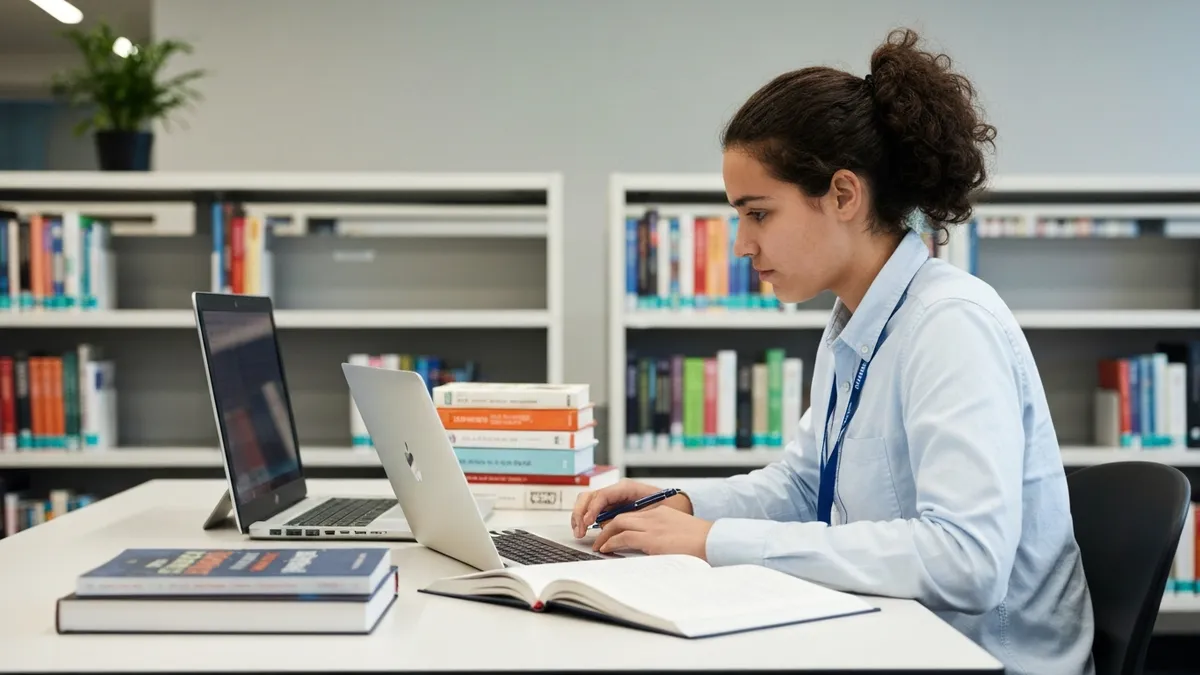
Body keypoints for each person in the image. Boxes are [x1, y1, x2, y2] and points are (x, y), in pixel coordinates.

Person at [571, 27, 1095, 675]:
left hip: (984, 659)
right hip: (890, 636)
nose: (741, 244)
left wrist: (715, 540)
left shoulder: (950, 324)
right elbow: (802, 484)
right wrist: (684, 503)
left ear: (844, 195)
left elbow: (967, 560)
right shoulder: (855, 320)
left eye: (758, 213)